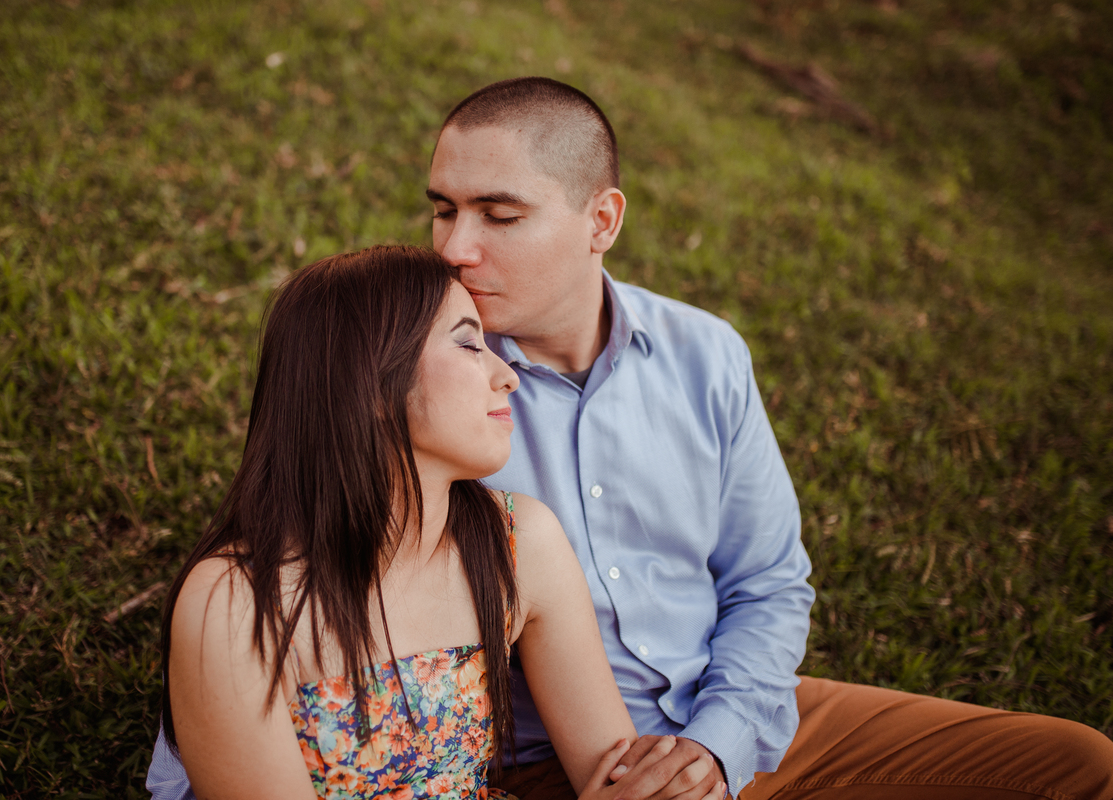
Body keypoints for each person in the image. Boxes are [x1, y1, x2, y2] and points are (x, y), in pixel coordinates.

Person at [150, 79, 1113, 799]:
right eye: (443, 208)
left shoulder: (704, 355)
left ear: (601, 220)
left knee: (1074, 764)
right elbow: (308, 546)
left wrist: (719, 743)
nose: (453, 246)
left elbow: (769, 582)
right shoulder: (421, 382)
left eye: (499, 213)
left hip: (726, 725)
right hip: (549, 764)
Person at [151, 245, 723, 800]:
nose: (508, 377)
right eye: (471, 344)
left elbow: (616, 774)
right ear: (372, 381)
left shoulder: (520, 542)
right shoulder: (234, 604)